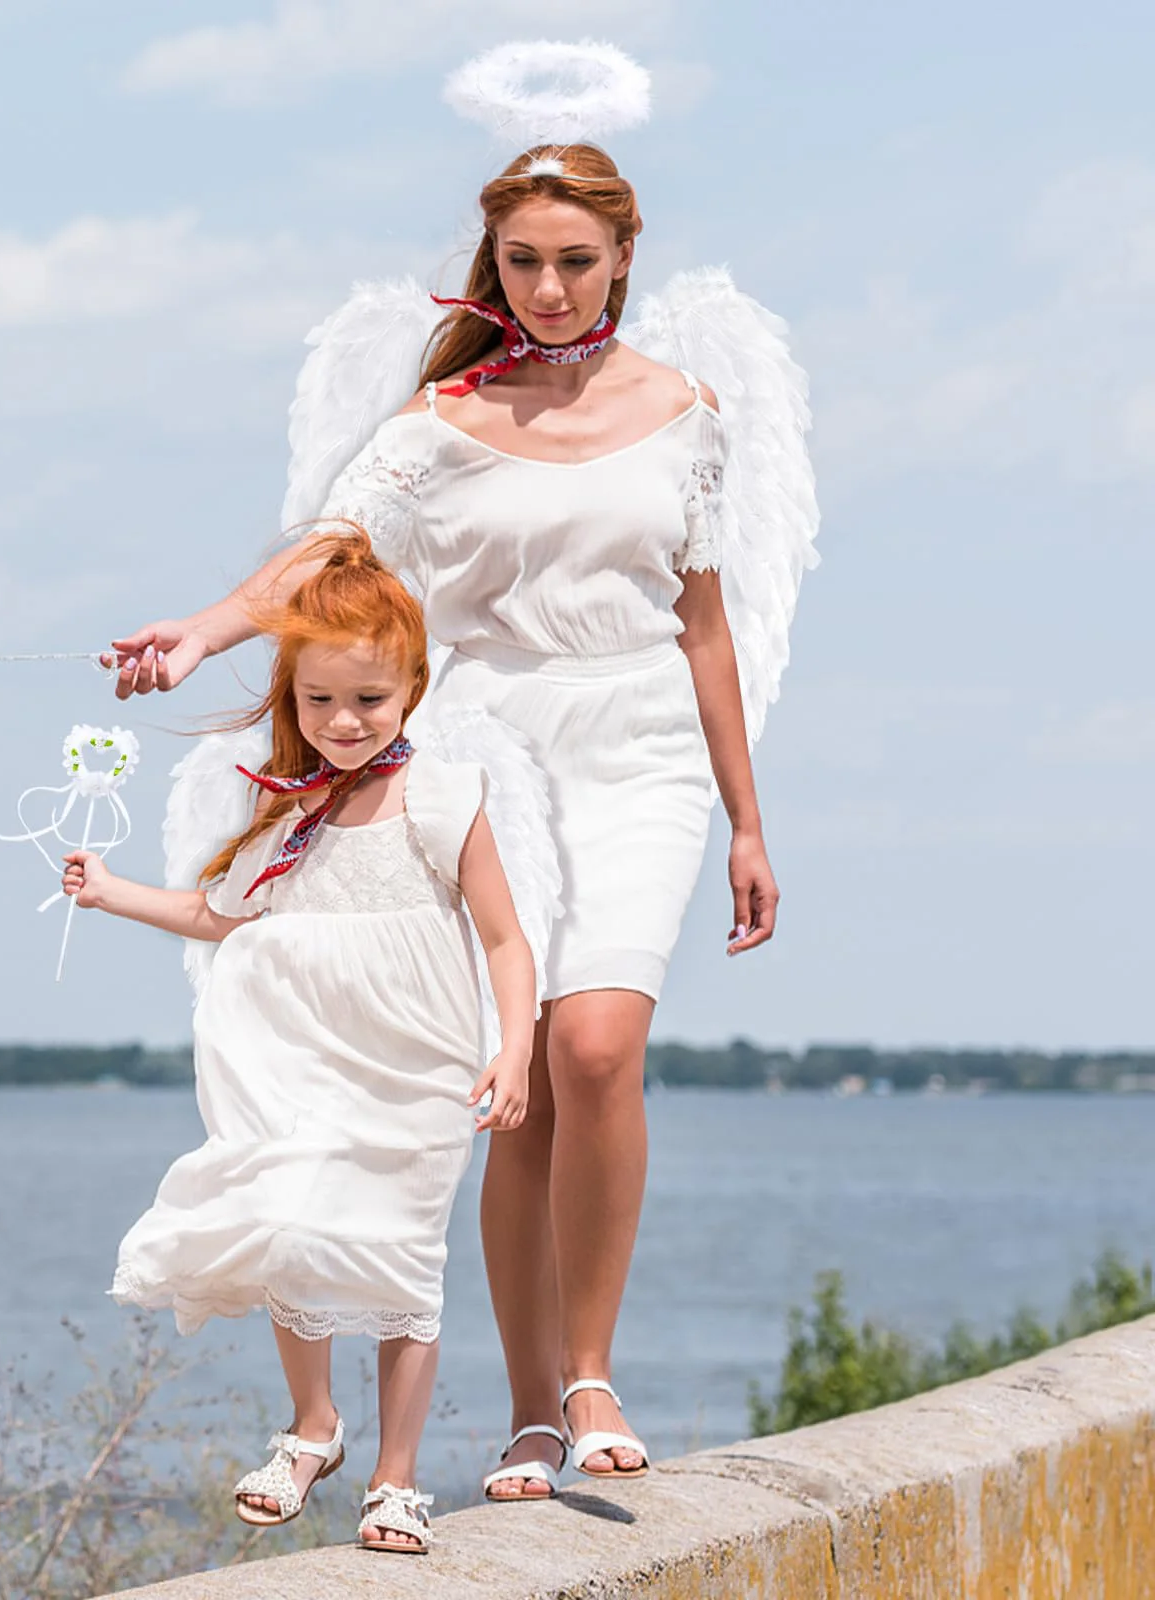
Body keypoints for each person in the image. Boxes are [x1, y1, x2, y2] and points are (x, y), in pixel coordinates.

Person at [103, 142, 783, 1502]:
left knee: (598, 1047)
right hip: (498, 750)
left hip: (641, 744)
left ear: (622, 260)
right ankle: (533, 1415)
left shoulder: (691, 411)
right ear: (498, 265)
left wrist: (747, 823)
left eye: (574, 261)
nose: (546, 285)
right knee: (513, 1089)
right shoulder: (445, 421)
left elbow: (708, 629)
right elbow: (321, 548)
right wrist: (205, 629)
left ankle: (590, 1372)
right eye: (522, 261)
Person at [66, 530, 537, 1553]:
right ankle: (311, 1426)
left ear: (412, 685)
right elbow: (220, 915)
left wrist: (517, 1050)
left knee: (405, 1264)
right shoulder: (291, 809)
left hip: (418, 1059)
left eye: (367, 699)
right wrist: (109, 894)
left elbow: (505, 938)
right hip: (304, 1057)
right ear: (293, 697)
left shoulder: (446, 799)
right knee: (288, 1222)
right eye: (318, 700)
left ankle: (395, 1478)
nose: (342, 722)